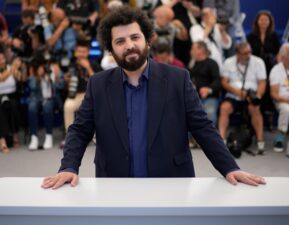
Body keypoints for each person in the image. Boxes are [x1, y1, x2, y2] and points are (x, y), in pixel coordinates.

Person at [42, 6, 265, 189]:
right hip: (115, 185)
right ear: (110, 49)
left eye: (135, 37)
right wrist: (68, 167)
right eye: (119, 41)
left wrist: (230, 167)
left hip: (172, 184)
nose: (129, 45)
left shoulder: (178, 79)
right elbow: (80, 129)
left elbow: (203, 128)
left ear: (148, 40)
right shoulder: (98, 84)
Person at [218, 42, 266, 153]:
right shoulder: (228, 62)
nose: (248, 55)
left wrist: (257, 96)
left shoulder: (258, 62)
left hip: (252, 94)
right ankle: (221, 140)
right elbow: (224, 82)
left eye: (249, 52)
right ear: (238, 54)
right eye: (245, 53)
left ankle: (260, 141)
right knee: (224, 108)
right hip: (234, 94)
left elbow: (262, 82)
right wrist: (236, 92)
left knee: (255, 109)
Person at [62, 39, 102, 147]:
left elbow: (99, 83)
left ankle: (97, 137)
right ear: (75, 52)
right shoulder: (72, 65)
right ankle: (71, 138)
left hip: (91, 95)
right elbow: (68, 86)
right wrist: (66, 80)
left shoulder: (93, 64)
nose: (81, 54)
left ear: (88, 52)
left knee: (99, 106)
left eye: (83, 52)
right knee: (68, 106)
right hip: (76, 95)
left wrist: (88, 68)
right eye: (79, 51)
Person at [0, 52, 23, 153]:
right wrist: (12, 68)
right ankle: (1, 140)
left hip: (12, 96)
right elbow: (0, 78)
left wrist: (20, 67)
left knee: (13, 105)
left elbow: (20, 78)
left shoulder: (10, 67)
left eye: (3, 58)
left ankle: (15, 133)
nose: (2, 61)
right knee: (0, 108)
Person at [189, 41, 220, 124]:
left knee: (209, 114)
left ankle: (210, 136)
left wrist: (209, 89)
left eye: (193, 49)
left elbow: (217, 81)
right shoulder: (192, 64)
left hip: (210, 96)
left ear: (201, 50)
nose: (191, 51)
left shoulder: (212, 63)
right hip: (194, 97)